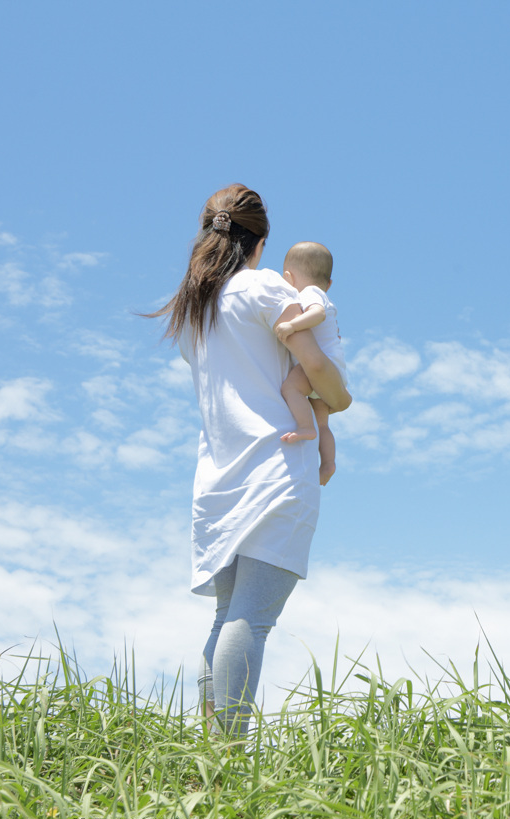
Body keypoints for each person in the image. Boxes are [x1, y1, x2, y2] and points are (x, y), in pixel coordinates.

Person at [147, 184, 350, 737]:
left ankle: (210, 753)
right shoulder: (261, 289)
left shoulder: (195, 310)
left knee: (227, 617)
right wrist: (341, 398)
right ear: (259, 243)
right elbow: (321, 371)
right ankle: (229, 757)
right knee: (252, 620)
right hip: (276, 469)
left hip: (220, 477)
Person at [275, 241, 344, 486]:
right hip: (332, 370)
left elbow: (317, 314)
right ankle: (327, 464)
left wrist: (292, 325)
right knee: (323, 423)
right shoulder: (323, 292)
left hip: (320, 365)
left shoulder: (310, 293)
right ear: (330, 282)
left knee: (290, 389)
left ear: (288, 277)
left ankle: (305, 427)